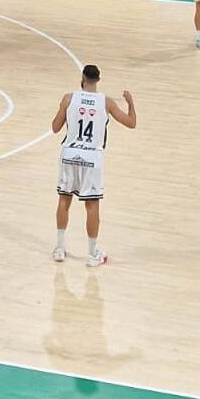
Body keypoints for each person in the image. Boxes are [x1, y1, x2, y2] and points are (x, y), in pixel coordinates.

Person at [52, 65, 138, 267]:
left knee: (64, 200)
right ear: (98, 80)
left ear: (82, 79)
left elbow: (55, 128)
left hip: (70, 154)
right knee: (92, 205)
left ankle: (59, 248)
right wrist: (131, 104)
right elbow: (131, 123)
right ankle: (92, 254)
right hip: (92, 158)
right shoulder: (106, 102)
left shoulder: (68, 98)